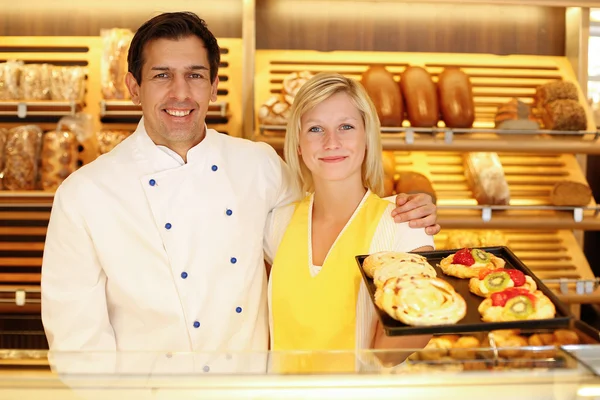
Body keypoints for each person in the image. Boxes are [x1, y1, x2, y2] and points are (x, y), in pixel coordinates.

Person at [40, 11, 439, 374]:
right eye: (162, 75)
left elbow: (333, 199)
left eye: (195, 75)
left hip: (252, 389)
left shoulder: (259, 165)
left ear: (214, 85)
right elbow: (77, 344)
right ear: (133, 87)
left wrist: (409, 211)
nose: (181, 93)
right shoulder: (84, 195)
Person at [265, 72, 434, 373]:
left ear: (367, 137)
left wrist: (422, 311)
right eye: (316, 129)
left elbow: (390, 355)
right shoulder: (276, 224)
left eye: (346, 126)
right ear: (299, 144)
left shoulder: (402, 224)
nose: (332, 142)